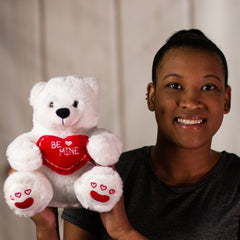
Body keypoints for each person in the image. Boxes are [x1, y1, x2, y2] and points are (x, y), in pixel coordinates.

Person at [31, 29, 240, 239]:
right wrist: (46, 228)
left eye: (208, 87)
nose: (191, 101)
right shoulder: (100, 176)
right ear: (151, 96)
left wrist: (122, 232)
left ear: (226, 99)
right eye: (174, 85)